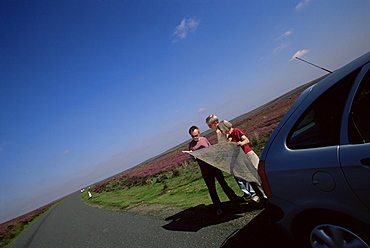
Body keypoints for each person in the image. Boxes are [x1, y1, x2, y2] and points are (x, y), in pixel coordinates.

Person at [188, 125, 239, 215]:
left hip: (214, 166)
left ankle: (234, 198)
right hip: (205, 171)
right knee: (212, 190)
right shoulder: (191, 145)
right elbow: (193, 159)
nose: (195, 137)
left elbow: (211, 148)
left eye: (196, 135)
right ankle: (218, 208)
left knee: (223, 183)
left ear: (199, 133)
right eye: (193, 136)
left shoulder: (204, 139)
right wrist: (193, 156)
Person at [217, 120, 261, 203]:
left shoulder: (236, 131)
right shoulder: (229, 136)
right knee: (251, 178)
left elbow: (246, 140)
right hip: (241, 157)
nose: (221, 132)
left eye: (221, 130)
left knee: (257, 175)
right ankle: (260, 196)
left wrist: (240, 143)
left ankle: (265, 196)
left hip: (248, 154)